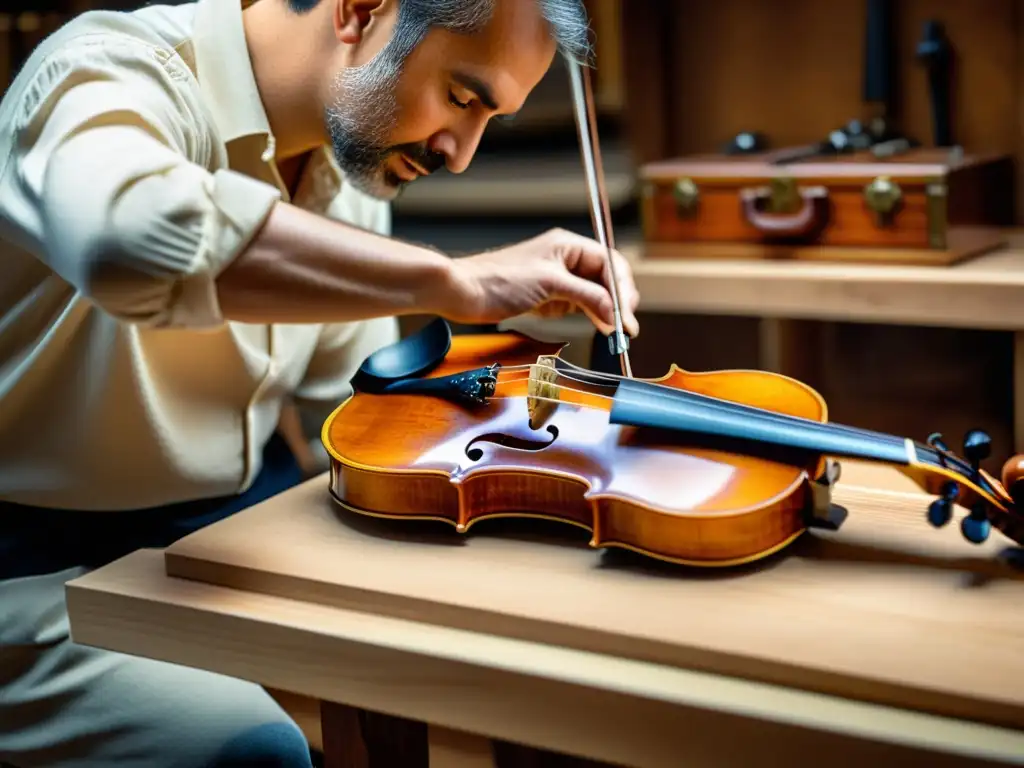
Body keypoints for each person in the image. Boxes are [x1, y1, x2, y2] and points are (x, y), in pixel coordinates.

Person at [0, 0, 639, 765]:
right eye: (463, 98)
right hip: (34, 569)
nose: (461, 154)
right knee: (251, 750)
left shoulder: (350, 166)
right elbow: (128, 241)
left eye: (488, 120)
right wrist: (451, 281)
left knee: (547, 656)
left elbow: (353, 414)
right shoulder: (102, 67)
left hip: (222, 543)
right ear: (360, 10)